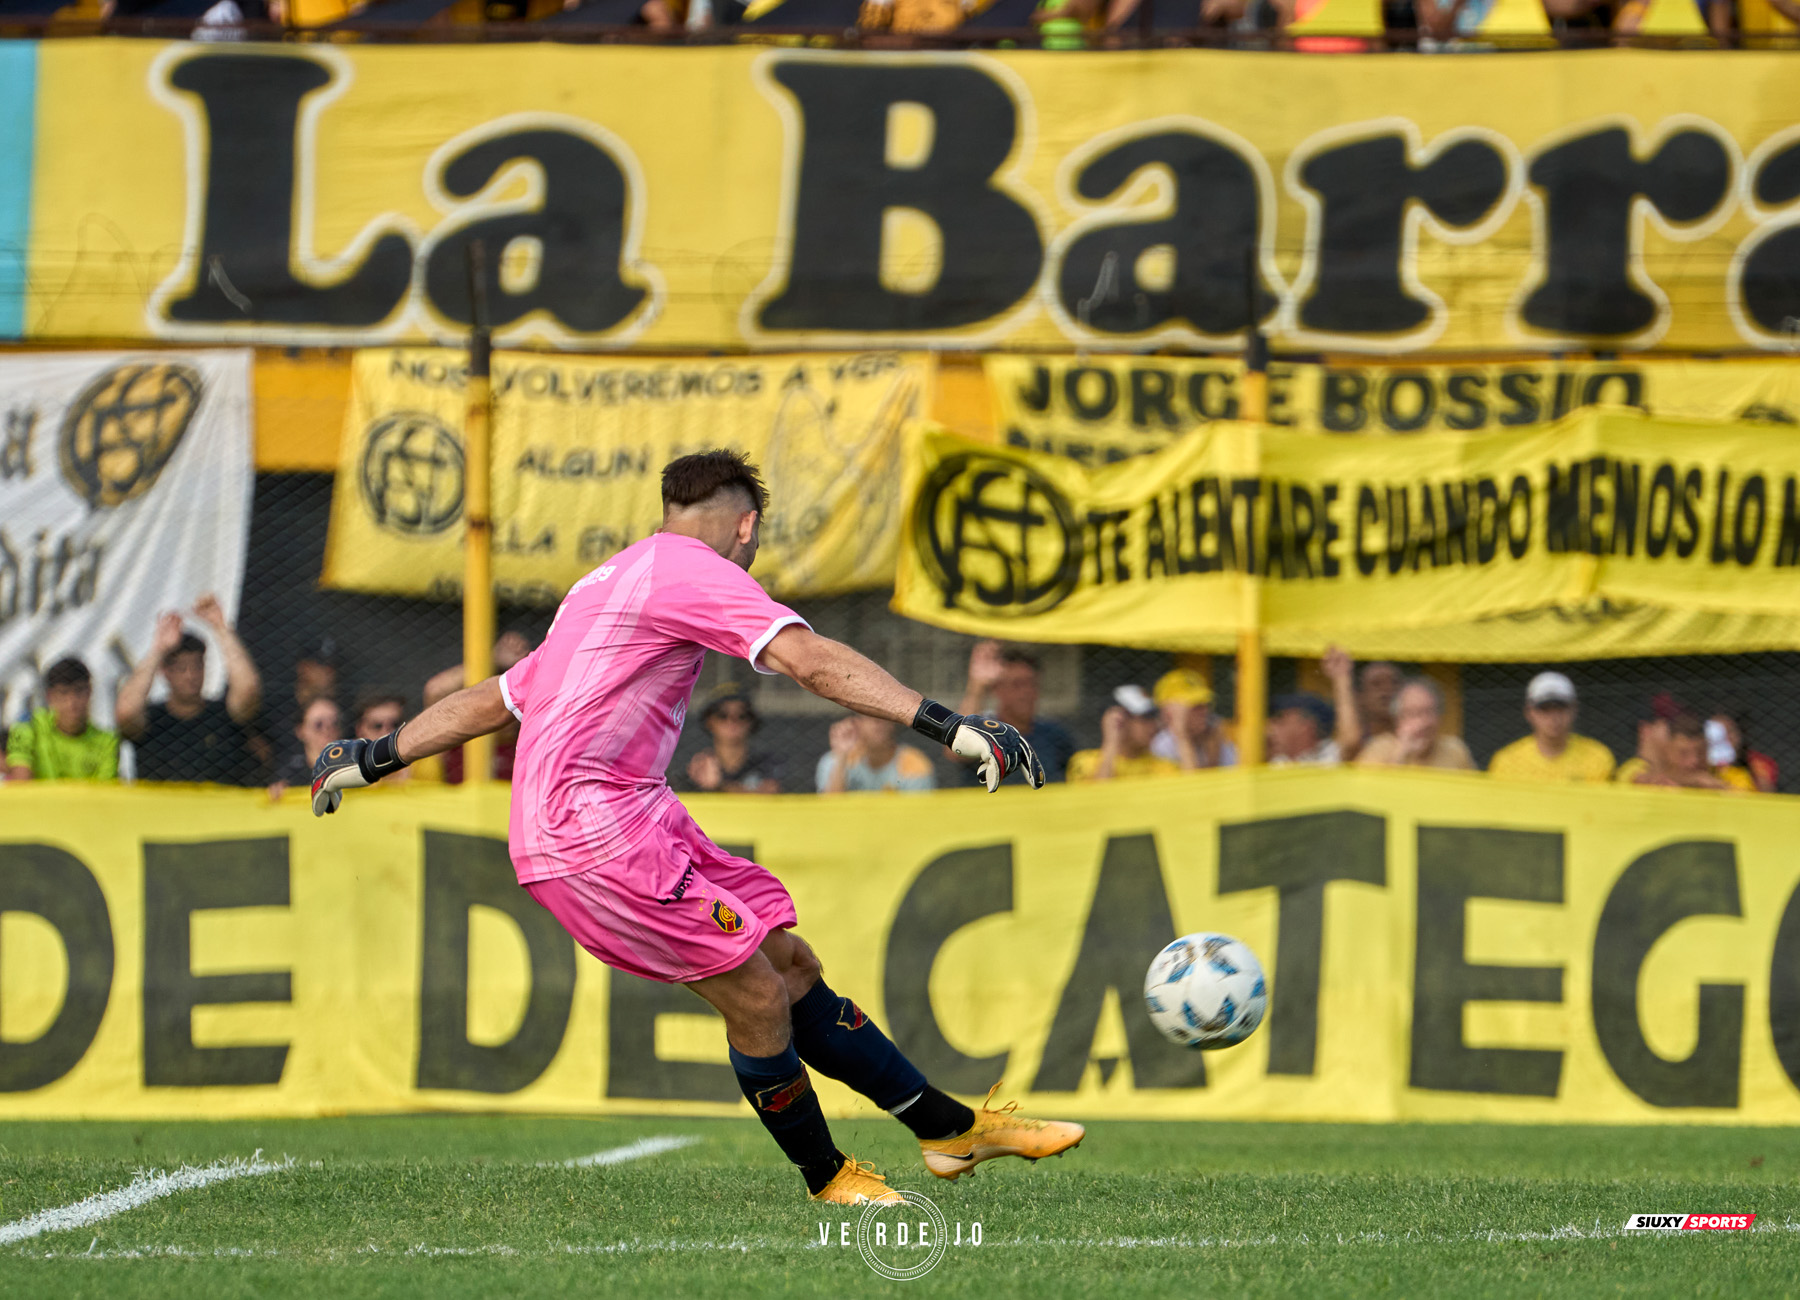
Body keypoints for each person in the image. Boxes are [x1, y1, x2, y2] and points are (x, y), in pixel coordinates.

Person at [309, 449, 1078, 1205]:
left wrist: (375, 755)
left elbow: (499, 697)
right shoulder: (693, 571)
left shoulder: (603, 584)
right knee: (758, 994)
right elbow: (808, 660)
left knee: (790, 966)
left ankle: (949, 1131)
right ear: (746, 527)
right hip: (590, 832)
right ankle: (829, 1177)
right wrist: (949, 725)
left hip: (631, 815)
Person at [116, 595, 264, 785]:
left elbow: (249, 690)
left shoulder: (223, 715)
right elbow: (125, 712)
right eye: (181, 668)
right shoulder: (152, 719)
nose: (191, 675)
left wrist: (221, 628)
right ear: (165, 671)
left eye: (197, 666)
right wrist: (158, 650)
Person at [950, 640, 1077, 785]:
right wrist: (977, 687)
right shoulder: (986, 732)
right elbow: (956, 751)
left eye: (1031, 683)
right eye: (1017, 684)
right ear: (998, 689)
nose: (1026, 692)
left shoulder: (1054, 735)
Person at [426, 632, 533, 783]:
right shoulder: (459, 742)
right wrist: (492, 660)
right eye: (502, 703)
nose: (508, 710)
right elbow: (436, 691)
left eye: (515, 705)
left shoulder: (525, 748)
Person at [4, 657, 120, 782]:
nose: (72, 703)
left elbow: (102, 792)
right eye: (63, 693)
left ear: (90, 692)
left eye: (79, 691)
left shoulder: (108, 742)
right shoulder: (27, 729)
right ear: (50, 697)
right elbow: (22, 784)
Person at [1487, 672, 1616, 783]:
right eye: (1545, 709)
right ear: (1529, 713)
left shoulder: (1597, 758)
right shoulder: (1508, 762)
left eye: (1561, 708)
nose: (1554, 717)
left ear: (1574, 710)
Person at [679, 683, 783, 794]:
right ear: (709, 721)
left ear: (751, 721)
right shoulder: (698, 764)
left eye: (742, 716)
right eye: (722, 715)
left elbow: (771, 792)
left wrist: (720, 786)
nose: (732, 721)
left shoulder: (765, 762)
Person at [1355, 678, 1475, 770]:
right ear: (1398, 719)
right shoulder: (1379, 749)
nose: (1422, 723)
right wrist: (1401, 754)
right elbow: (1367, 790)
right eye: (1412, 714)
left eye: (1428, 712)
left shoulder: (1455, 750)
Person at [1068, 685, 1183, 782]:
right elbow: (1097, 798)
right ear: (1120, 721)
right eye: (1146, 717)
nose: (1154, 724)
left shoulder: (1164, 766)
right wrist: (1111, 743)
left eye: (1154, 716)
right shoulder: (1085, 763)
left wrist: (1182, 736)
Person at [817, 714, 937, 794]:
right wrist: (841, 756)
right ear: (856, 723)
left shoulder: (915, 764)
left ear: (893, 723)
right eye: (869, 715)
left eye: (883, 716)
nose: (877, 722)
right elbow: (829, 810)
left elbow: (918, 816)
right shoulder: (835, 760)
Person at [1149, 668, 1237, 770]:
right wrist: (1183, 738)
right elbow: (1191, 779)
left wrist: (1214, 757)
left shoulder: (1215, 737)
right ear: (1169, 712)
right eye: (1195, 706)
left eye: (1205, 704)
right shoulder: (1161, 746)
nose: (1204, 711)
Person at [1631, 714, 1733, 791]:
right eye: (1683, 753)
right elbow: (1638, 779)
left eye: (1700, 753)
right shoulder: (1637, 767)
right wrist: (1695, 780)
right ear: (1667, 750)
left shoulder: (1725, 776)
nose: (1694, 761)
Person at [268, 696, 343, 799]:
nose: (327, 729)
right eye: (318, 725)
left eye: (335, 723)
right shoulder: (288, 777)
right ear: (301, 731)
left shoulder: (356, 768)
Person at [1614, 693, 1681, 785]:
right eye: (1670, 726)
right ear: (1645, 729)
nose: (1678, 734)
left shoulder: (1673, 769)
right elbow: (1635, 776)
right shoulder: (1631, 768)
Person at [1708, 711, 1777, 793]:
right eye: (1717, 732)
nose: (1724, 737)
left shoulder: (1758, 762)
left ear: (1739, 734)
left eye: (1729, 731)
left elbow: (1767, 792)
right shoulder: (1699, 759)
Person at [1267, 692, 1340, 766]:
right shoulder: (1279, 761)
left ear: (1306, 726)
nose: (1270, 729)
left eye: (1281, 721)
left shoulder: (1332, 756)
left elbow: (1347, 744)